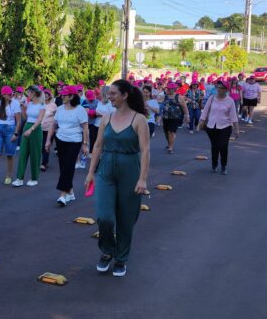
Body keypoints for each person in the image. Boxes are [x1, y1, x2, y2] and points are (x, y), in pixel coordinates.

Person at [85, 79, 150, 277]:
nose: (109, 97)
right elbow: (97, 146)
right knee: (104, 217)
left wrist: (142, 179)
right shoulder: (106, 117)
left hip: (130, 168)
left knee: (126, 219)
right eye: (109, 93)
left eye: (113, 93)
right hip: (106, 170)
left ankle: (121, 258)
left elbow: (145, 150)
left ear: (125, 95)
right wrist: (90, 173)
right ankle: (107, 250)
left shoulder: (139, 119)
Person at [46, 85, 89, 205]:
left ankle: (63, 195)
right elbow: (54, 125)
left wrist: (85, 145)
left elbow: (85, 128)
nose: (62, 96)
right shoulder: (59, 109)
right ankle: (70, 192)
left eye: (64, 95)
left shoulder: (80, 109)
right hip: (60, 140)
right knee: (63, 167)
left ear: (71, 96)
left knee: (68, 166)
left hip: (75, 141)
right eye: (61, 95)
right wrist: (48, 140)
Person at [199, 81, 240, 175]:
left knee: (223, 146)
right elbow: (206, 110)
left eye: (222, 88)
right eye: (219, 88)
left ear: (226, 90)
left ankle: (224, 165)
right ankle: (214, 164)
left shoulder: (230, 101)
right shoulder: (212, 98)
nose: (219, 90)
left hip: (225, 126)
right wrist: (201, 121)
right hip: (212, 126)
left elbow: (234, 116)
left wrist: (236, 129)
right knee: (215, 146)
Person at [12, 85, 46, 187]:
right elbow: (25, 117)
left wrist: (31, 129)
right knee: (23, 152)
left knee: (35, 154)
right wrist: (23, 108)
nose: (28, 94)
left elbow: (39, 119)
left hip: (35, 129)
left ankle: (34, 178)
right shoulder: (29, 104)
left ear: (34, 93)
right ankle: (19, 178)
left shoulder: (42, 105)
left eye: (30, 92)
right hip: (27, 127)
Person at [0, 85, 22, 184]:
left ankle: (8, 176)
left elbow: (18, 120)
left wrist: (16, 133)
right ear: (3, 95)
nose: (11, 95)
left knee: (9, 155)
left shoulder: (15, 103)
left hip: (10, 130)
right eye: (9, 94)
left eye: (11, 94)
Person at [161, 83, 189, 154]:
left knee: (172, 132)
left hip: (175, 117)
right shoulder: (164, 96)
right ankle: (169, 143)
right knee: (166, 132)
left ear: (174, 89)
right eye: (168, 89)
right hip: (165, 117)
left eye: (171, 89)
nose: (169, 90)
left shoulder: (179, 97)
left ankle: (171, 147)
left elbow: (184, 107)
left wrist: (187, 116)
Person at [41, 88, 58, 171]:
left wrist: (56, 128)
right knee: (41, 147)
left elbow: (56, 118)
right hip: (40, 128)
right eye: (44, 95)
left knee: (46, 146)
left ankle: (44, 163)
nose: (46, 96)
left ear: (50, 96)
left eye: (47, 95)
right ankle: (45, 161)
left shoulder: (53, 105)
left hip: (49, 129)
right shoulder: (40, 104)